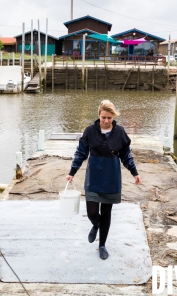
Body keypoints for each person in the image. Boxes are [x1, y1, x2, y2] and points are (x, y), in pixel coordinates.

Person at [66, 100, 141, 260]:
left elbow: (126, 155)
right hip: (93, 177)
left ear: (113, 116)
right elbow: (81, 153)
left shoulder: (120, 132)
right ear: (99, 116)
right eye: (103, 117)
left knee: (106, 213)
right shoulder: (90, 131)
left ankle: (102, 245)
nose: (106, 121)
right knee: (92, 212)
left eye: (109, 118)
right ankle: (96, 225)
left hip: (111, 176)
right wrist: (72, 171)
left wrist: (134, 172)